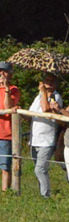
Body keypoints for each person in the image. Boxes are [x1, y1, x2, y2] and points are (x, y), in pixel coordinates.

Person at [29, 72, 63, 197]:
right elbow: (30, 113)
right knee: (37, 169)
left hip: (47, 140)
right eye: (46, 80)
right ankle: (41, 192)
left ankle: (45, 195)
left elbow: (46, 109)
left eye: (51, 81)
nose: (48, 83)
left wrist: (44, 92)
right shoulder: (38, 96)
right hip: (35, 138)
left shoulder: (56, 97)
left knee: (40, 169)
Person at [0, 61, 20, 192]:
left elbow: (8, 107)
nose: (2, 74)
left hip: (5, 133)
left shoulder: (14, 89)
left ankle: (5, 193)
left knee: (5, 166)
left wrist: (6, 89)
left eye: (5, 71)